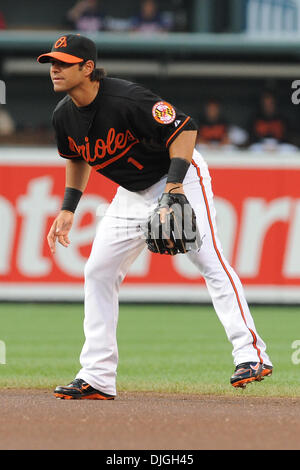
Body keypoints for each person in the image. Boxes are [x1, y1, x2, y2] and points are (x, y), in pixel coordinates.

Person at [37, 34, 273, 400]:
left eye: (63, 63)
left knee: (210, 261)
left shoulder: (127, 99)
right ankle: (98, 375)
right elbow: (77, 157)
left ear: (87, 68)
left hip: (179, 178)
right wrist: (69, 207)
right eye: (52, 62)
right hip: (130, 194)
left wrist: (175, 188)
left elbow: (185, 128)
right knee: (98, 270)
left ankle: (251, 355)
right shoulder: (63, 115)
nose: (54, 69)